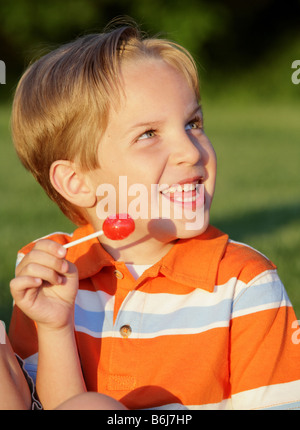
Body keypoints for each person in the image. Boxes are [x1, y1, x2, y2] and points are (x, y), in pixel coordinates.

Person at [8, 20, 300, 410]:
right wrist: (54, 326)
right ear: (76, 181)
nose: (192, 152)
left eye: (193, 124)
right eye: (148, 134)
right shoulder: (49, 274)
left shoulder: (243, 283)